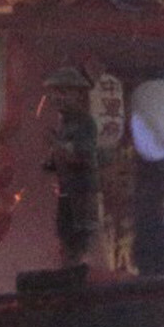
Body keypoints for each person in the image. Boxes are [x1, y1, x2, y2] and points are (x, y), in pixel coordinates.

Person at [42, 68, 99, 269]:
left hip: (82, 192)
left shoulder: (85, 122)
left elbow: (81, 156)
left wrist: (57, 145)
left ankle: (78, 275)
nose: (58, 98)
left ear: (78, 94)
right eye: (55, 92)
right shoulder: (64, 123)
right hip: (66, 191)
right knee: (65, 236)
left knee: (79, 240)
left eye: (64, 92)